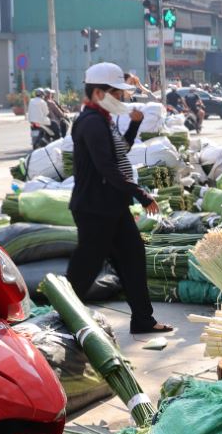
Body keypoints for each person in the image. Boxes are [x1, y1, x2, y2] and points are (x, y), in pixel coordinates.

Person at [68, 62, 173, 335]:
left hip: (111, 206)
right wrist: (140, 194)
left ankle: (142, 320)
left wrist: (134, 126)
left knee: (133, 258)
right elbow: (108, 168)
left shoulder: (104, 120)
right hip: (95, 209)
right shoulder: (90, 123)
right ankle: (63, 316)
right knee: (86, 267)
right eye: (117, 93)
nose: (122, 98)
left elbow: (120, 151)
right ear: (99, 93)